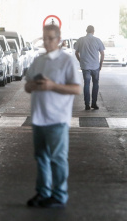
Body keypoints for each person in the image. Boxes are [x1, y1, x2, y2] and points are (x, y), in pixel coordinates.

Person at [24, 24, 81, 208]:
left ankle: (59, 194)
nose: (47, 42)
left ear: (60, 40)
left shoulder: (67, 61)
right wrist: (33, 85)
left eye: (51, 38)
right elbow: (27, 86)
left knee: (57, 158)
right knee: (41, 157)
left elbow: (77, 89)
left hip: (58, 118)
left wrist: (52, 86)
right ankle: (43, 192)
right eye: (44, 38)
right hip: (39, 116)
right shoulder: (39, 61)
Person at [75, 25, 105, 110]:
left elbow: (76, 52)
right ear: (93, 31)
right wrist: (101, 64)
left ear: (86, 31)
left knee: (86, 84)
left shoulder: (80, 40)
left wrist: (80, 61)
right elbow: (102, 53)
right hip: (95, 66)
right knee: (95, 84)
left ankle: (87, 104)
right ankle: (94, 103)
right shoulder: (97, 40)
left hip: (85, 66)